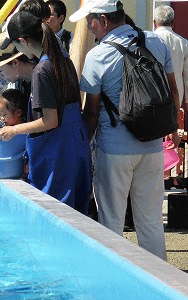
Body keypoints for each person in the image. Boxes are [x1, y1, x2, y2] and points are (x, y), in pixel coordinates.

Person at [69, 0, 180, 259]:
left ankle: (115, 279)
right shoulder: (155, 42)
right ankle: (158, 280)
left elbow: (92, 112)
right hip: (152, 147)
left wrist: (83, 146)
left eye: (90, 21)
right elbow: (172, 90)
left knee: (112, 222)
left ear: (104, 20)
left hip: (115, 150)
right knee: (151, 220)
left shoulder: (97, 55)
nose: (88, 26)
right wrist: (171, 128)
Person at [0, 11, 92, 214]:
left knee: (56, 214)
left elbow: (50, 120)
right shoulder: (63, 60)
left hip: (56, 155)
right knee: (77, 213)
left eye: (15, 45)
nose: (16, 50)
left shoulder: (41, 70)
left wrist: (14, 130)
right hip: (76, 146)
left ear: (23, 41)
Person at [154, 5, 188, 107]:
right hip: (176, 95)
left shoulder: (147, 41)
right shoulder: (184, 43)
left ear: (154, 22)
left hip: (151, 94)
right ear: (173, 22)